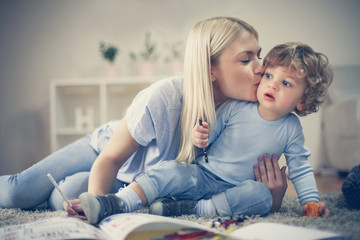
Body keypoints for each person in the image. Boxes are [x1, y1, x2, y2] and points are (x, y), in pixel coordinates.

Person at [0, 17, 286, 213]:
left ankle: (71, 187)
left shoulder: (256, 112)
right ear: (210, 69)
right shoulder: (164, 98)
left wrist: (272, 198)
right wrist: (100, 215)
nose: (261, 68)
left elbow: (222, 188)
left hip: (140, 181)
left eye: (259, 56)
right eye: (247, 59)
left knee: (65, 193)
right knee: (18, 194)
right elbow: (110, 159)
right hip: (108, 151)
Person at [78, 42, 333, 224]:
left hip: (236, 188)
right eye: (268, 75)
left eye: (286, 82)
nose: (272, 84)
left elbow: (299, 167)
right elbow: (209, 134)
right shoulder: (237, 107)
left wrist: (310, 202)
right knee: (171, 170)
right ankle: (118, 202)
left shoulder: (291, 129)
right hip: (203, 175)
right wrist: (201, 136)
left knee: (261, 197)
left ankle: (194, 209)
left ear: (303, 101)